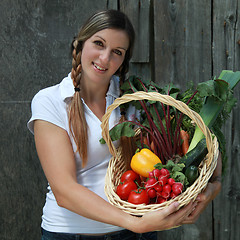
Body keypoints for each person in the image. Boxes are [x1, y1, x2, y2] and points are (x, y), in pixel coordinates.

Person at [28, 9, 221, 240]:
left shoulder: (135, 98)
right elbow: (64, 191)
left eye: (117, 52)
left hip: (137, 232)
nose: (105, 58)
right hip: (72, 234)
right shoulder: (51, 101)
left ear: (123, 61)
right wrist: (135, 224)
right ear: (79, 45)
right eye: (99, 44)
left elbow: (193, 145)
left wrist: (212, 188)